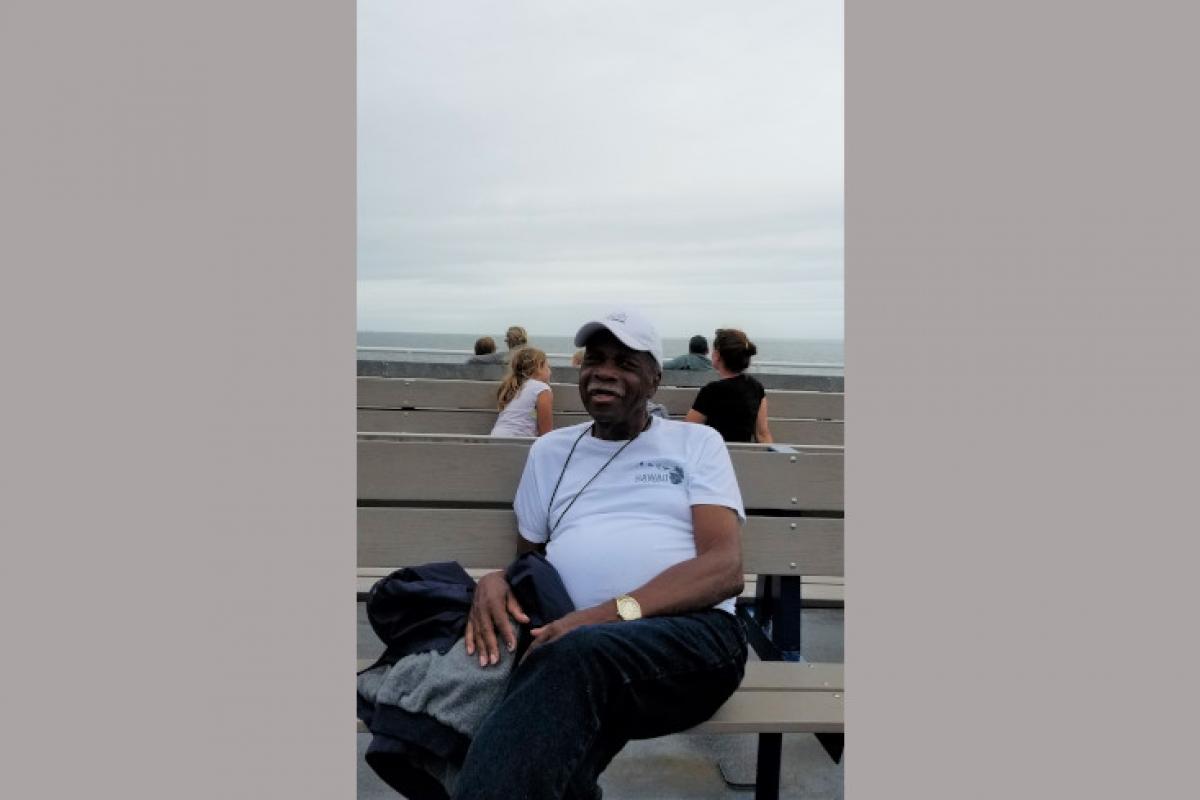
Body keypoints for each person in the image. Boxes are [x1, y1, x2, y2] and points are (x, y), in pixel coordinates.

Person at [457, 307, 748, 800]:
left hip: (695, 638)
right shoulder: (550, 453)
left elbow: (723, 570)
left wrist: (605, 616)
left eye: (625, 362)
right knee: (561, 697)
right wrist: (495, 580)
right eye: (595, 359)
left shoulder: (696, 443)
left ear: (654, 379)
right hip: (571, 645)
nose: (605, 371)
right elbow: (533, 562)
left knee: (566, 665)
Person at [685, 328, 773, 443]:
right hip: (746, 457)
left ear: (717, 355)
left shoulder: (711, 391)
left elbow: (688, 430)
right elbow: (762, 434)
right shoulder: (756, 387)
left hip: (715, 456)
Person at [489, 347, 554, 437]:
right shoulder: (542, 389)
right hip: (518, 442)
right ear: (539, 367)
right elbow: (546, 434)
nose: (550, 372)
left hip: (495, 438)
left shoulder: (514, 387)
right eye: (548, 367)